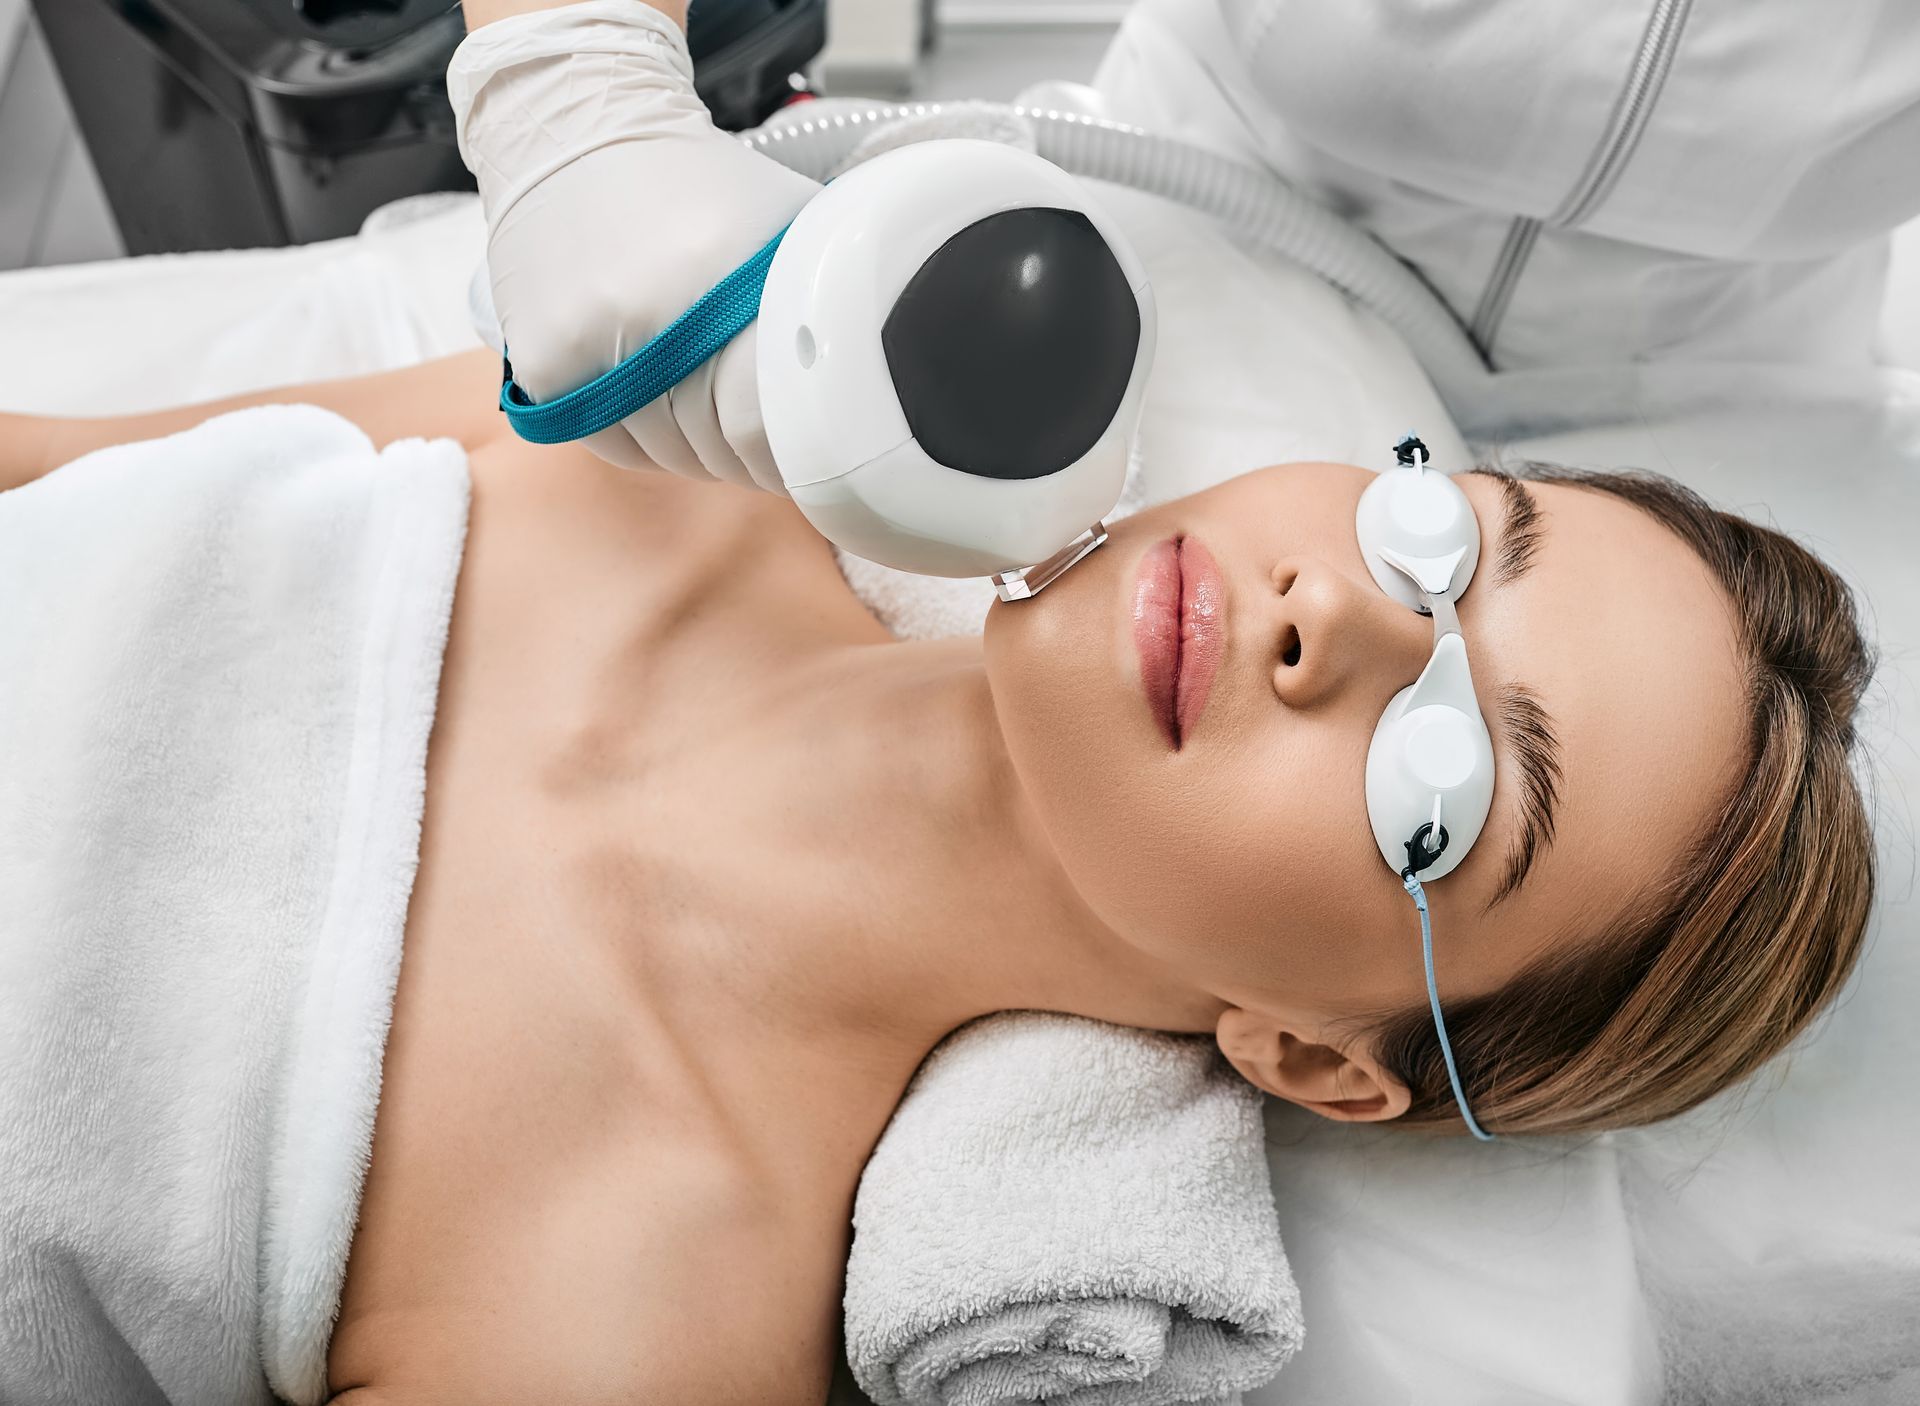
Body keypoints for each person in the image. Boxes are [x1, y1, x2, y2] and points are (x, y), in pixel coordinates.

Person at [0, 336, 1874, 1401]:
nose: (1346, 629)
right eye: (1449, 543)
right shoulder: (659, 439)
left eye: (1445, 791)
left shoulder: (639, 1308)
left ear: (1315, 1050)